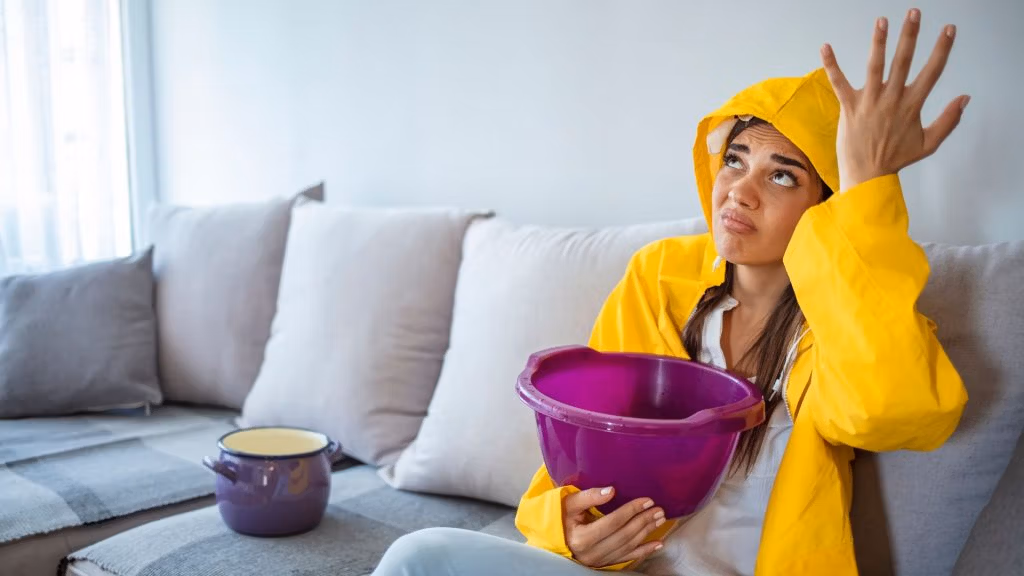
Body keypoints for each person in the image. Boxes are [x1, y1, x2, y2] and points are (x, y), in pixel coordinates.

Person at [373, 8, 968, 576]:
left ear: (827, 207)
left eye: (782, 174)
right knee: (419, 557)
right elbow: (577, 459)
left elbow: (896, 413)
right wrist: (570, 532)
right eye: (735, 160)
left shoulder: (843, 322)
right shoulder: (660, 278)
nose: (739, 191)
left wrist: (866, 187)